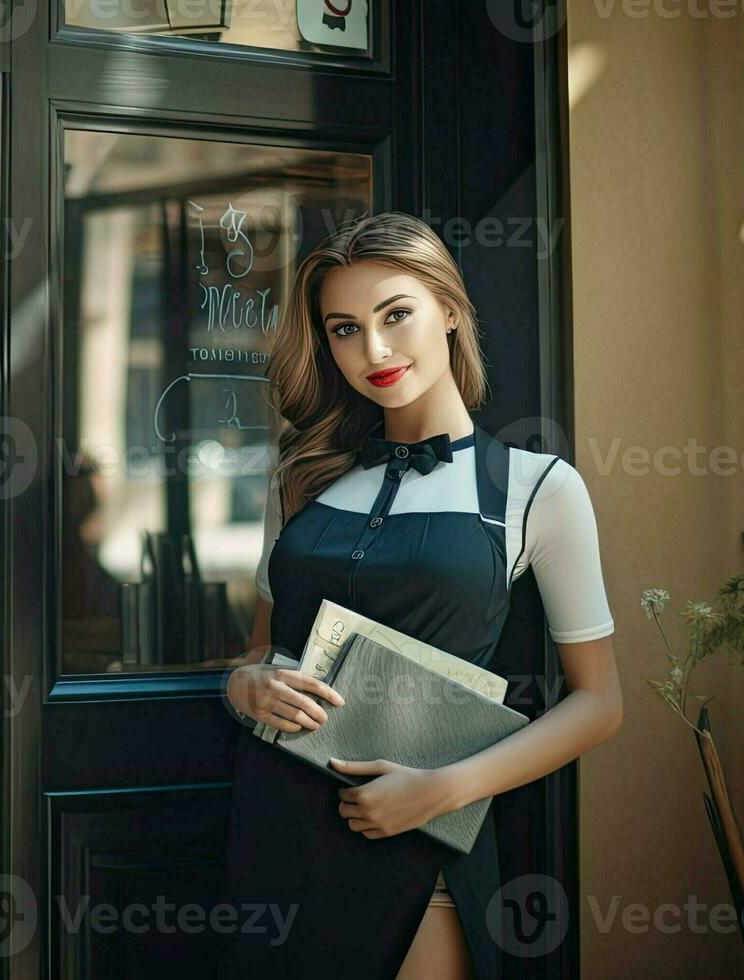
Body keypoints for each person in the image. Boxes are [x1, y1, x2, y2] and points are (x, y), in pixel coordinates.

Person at [219, 212, 623, 979]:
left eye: (394, 314)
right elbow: (259, 650)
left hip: (418, 836)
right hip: (275, 830)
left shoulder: (537, 488)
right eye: (343, 329)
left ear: (449, 309)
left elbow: (600, 703)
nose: (371, 350)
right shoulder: (301, 478)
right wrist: (243, 684)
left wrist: (442, 790)